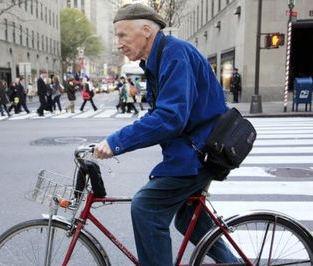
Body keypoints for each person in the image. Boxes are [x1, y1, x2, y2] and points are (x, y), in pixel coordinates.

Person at [94, 4, 238, 265]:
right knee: (187, 218)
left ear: (146, 30)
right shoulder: (158, 59)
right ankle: (234, 263)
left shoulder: (175, 54)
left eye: (122, 35)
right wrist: (115, 139)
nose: (118, 44)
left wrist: (116, 143)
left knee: (146, 207)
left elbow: (171, 118)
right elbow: (161, 114)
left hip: (200, 152)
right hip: (193, 149)